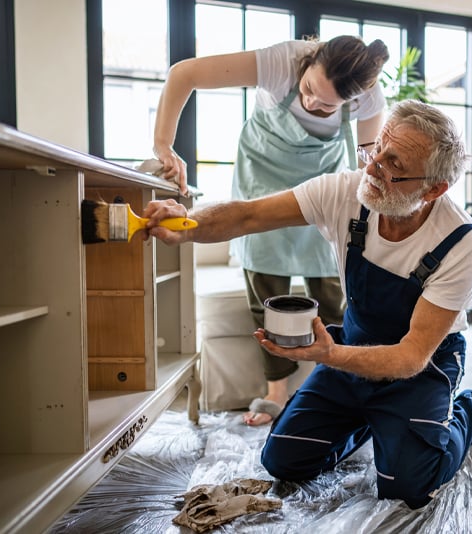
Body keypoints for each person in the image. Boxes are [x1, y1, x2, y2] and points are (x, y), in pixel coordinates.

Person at [142, 100, 472, 509]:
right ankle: (370, 420)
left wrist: (329, 354)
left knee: (408, 488)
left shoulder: (461, 243)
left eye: (392, 163)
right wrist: (187, 225)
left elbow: (411, 356)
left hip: (421, 367)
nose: (373, 167)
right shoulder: (347, 192)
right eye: (375, 149)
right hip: (354, 346)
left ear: (433, 189)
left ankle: (469, 410)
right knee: (284, 462)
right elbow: (248, 216)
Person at [153, 35, 390, 425]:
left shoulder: (369, 98)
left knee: (333, 296)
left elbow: (367, 167)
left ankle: (330, 390)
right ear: (309, 61)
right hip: (262, 176)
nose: (313, 103)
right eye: (310, 89)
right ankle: (276, 391)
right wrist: (164, 145)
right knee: (267, 291)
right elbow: (185, 74)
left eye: (328, 105)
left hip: (321, 186)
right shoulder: (281, 62)